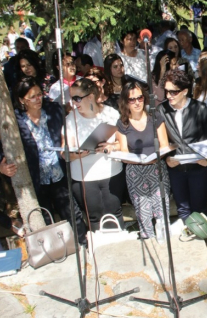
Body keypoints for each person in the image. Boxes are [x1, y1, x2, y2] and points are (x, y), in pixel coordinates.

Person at [4, 78, 87, 244]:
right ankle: (57, 250)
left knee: (71, 212)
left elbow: (68, 130)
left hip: (59, 172)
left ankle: (83, 243)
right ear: (21, 100)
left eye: (39, 94)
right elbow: (5, 146)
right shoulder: (16, 120)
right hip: (37, 179)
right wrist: (2, 166)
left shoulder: (54, 109)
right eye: (32, 97)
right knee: (45, 218)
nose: (37, 99)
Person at [66, 78, 125, 231]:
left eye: (77, 98)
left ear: (90, 96)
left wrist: (111, 146)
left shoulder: (110, 113)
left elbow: (123, 143)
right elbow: (64, 153)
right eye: (72, 98)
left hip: (111, 174)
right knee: (94, 218)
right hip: (84, 178)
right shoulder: (71, 119)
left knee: (115, 213)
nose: (74, 103)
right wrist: (79, 154)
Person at [115, 80, 170, 239]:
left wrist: (154, 158)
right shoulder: (122, 123)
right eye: (132, 99)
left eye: (140, 98)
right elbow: (124, 153)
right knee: (143, 212)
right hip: (135, 174)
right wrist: (140, 161)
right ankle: (149, 240)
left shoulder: (155, 117)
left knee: (162, 210)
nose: (137, 102)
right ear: (125, 101)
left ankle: (164, 243)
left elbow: (164, 144)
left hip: (157, 168)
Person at [161, 69, 207, 222]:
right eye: (166, 91)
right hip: (176, 168)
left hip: (199, 167)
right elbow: (160, 140)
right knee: (182, 208)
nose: (168, 95)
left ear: (185, 91)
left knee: (200, 207)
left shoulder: (201, 109)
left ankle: (203, 240)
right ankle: (187, 238)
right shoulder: (161, 110)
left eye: (173, 92)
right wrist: (167, 158)